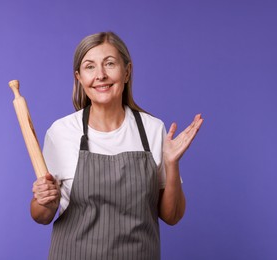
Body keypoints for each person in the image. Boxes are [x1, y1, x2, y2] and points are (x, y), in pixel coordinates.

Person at [30, 31, 203, 260]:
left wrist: (172, 164)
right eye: (90, 67)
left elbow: (173, 216)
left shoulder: (152, 129)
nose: (100, 75)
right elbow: (41, 216)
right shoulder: (62, 132)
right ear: (79, 78)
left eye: (110, 64)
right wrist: (44, 200)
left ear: (127, 72)